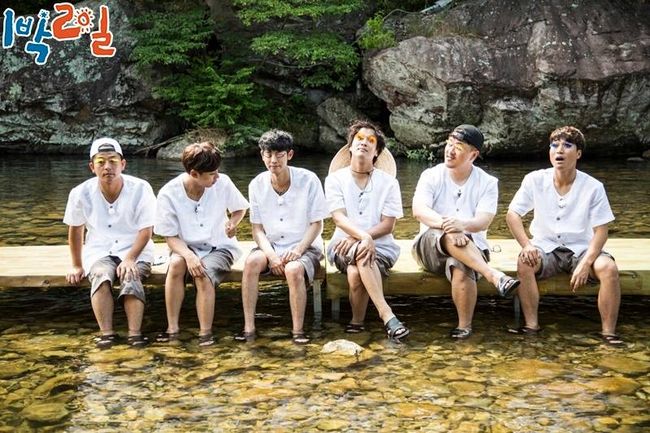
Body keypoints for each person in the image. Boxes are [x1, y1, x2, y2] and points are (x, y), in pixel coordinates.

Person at [506, 126, 622, 345]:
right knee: (524, 262)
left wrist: (586, 263)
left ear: (578, 153)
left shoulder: (593, 187)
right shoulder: (534, 180)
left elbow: (601, 230)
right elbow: (512, 214)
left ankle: (608, 333)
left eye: (567, 145)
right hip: (545, 246)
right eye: (554, 145)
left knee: (608, 268)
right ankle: (531, 326)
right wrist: (526, 245)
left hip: (581, 248)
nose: (559, 150)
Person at [412, 124, 520, 340]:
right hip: (429, 247)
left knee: (460, 264)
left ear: (473, 155)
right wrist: (450, 227)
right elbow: (419, 211)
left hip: (472, 249)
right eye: (449, 144)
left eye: (458, 146)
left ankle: (464, 328)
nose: (450, 150)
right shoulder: (431, 175)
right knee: (449, 236)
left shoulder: (487, 182)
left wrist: (462, 226)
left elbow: (484, 221)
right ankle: (493, 275)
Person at [236, 130, 328, 344]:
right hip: (272, 244)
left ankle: (298, 331)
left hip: (305, 245)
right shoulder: (256, 184)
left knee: (293, 270)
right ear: (262, 155)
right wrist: (271, 256)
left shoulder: (308, 180)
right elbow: (257, 229)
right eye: (268, 154)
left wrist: (298, 250)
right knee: (251, 263)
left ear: (289, 155)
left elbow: (317, 224)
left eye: (279, 155)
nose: (273, 160)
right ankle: (248, 327)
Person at [64, 137, 156, 348]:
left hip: (135, 249)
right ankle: (107, 334)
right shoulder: (80, 192)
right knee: (100, 275)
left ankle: (134, 334)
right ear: (92, 167)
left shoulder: (141, 188)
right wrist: (76, 265)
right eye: (101, 162)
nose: (107, 167)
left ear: (122, 164)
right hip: (100, 249)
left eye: (113, 161)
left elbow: (146, 230)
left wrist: (130, 258)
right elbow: (75, 229)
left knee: (130, 275)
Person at [154, 142, 249, 346]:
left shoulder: (223, 183)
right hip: (184, 246)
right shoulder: (168, 193)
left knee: (202, 274)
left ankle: (205, 333)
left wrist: (233, 222)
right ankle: (172, 327)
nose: (217, 177)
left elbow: (239, 208)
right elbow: (170, 236)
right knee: (176, 264)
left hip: (220, 246)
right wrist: (189, 256)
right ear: (194, 174)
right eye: (212, 174)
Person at [325, 120, 410, 343]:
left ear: (377, 151)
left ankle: (357, 322)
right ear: (351, 146)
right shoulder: (335, 180)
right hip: (342, 245)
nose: (364, 142)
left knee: (355, 271)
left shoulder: (388, 183)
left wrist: (366, 238)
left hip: (381, 247)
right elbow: (338, 218)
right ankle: (387, 315)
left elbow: (388, 225)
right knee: (362, 253)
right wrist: (363, 237)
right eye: (359, 138)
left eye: (370, 140)